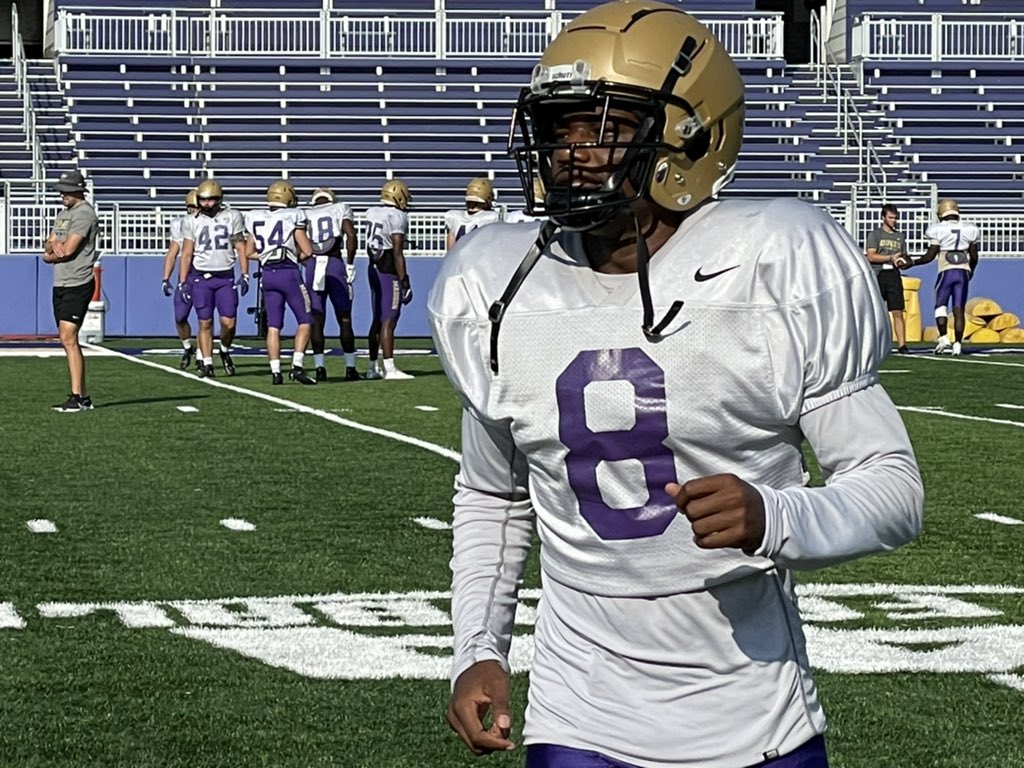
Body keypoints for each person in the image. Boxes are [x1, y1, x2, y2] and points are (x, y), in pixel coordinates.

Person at [428, 3, 925, 767]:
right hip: (579, 710)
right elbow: (494, 492)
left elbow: (893, 491)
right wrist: (475, 646)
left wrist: (773, 516)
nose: (575, 153)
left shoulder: (775, 260)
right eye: (560, 129)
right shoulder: (497, 285)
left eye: (608, 127)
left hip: (754, 716)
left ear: (694, 133)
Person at [242, 181, 317, 385]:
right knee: (305, 319)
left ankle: (276, 372)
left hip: (268, 274)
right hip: (288, 272)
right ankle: (297, 367)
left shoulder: (255, 217)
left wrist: (268, 255)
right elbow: (308, 251)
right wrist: (292, 256)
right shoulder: (293, 216)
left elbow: (249, 253)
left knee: (274, 325)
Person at [178, 178, 249, 378]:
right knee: (205, 322)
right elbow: (186, 253)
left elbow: (240, 246)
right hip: (201, 277)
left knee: (229, 323)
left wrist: (244, 274)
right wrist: (183, 282)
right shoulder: (191, 221)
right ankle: (207, 363)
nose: (206, 204)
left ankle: (225, 350)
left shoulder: (232, 216)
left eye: (211, 200)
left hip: (225, 276)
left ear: (219, 199)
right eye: (203, 200)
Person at [43, 170, 100, 412]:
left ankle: (78, 395)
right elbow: (48, 248)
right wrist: (55, 247)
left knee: (68, 337)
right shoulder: (64, 214)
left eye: (66, 190)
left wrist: (55, 248)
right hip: (61, 281)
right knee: (67, 339)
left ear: (78, 190)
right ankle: (82, 395)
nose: (62, 195)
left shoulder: (85, 214)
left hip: (77, 281)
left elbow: (66, 250)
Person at [903, 198, 980, 356]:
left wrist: (913, 262)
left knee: (941, 306)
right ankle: (958, 344)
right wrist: (970, 270)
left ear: (941, 214)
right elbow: (974, 255)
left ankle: (944, 337)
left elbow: (930, 256)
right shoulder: (970, 229)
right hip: (963, 272)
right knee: (959, 309)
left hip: (946, 271)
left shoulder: (937, 229)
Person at [303, 187, 360, 381]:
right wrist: (350, 264)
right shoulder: (340, 209)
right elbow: (351, 235)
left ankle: (320, 369)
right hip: (334, 264)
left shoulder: (305, 213)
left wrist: (306, 262)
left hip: (313, 265)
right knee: (344, 318)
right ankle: (350, 368)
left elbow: (297, 243)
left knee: (317, 320)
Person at [365, 179, 414, 380]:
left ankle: (372, 367)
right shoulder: (397, 216)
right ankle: (390, 368)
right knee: (389, 318)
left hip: (373, 266)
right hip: (387, 269)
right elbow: (397, 252)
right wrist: (404, 281)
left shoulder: (372, 211)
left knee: (377, 318)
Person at [160, 188, 201, 370]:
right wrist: (165, 277)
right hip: (187, 276)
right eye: (191, 207)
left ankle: (202, 355)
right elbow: (172, 252)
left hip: (203, 274)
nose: (195, 210)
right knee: (180, 317)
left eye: (197, 206)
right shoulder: (181, 224)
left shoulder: (212, 223)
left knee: (204, 318)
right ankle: (187, 347)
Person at [865, 203, 909, 354]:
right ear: (883, 217)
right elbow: (871, 256)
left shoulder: (900, 236)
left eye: (895, 218)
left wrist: (903, 262)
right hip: (878, 274)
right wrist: (890, 257)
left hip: (893, 275)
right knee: (875, 311)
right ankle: (872, 343)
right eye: (890, 218)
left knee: (897, 311)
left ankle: (902, 344)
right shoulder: (875, 235)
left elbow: (903, 256)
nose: (894, 221)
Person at [445, 178, 501, 250]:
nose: (472, 205)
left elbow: (450, 252)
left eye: (475, 202)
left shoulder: (455, 217)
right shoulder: (492, 217)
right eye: (470, 202)